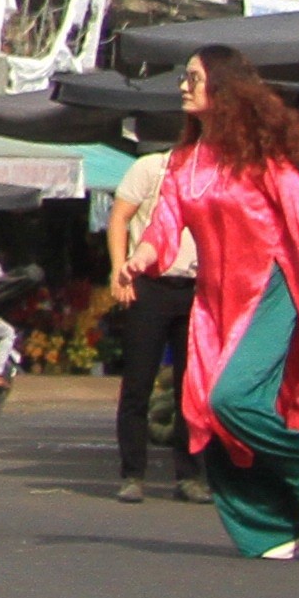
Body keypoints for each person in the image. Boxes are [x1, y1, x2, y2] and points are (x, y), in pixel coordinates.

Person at [144, 49, 299, 561]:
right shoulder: (181, 163)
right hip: (214, 304)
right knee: (208, 415)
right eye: (184, 78)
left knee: (229, 400)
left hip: (269, 287)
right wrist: (138, 258)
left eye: (193, 77)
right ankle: (274, 527)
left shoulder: (258, 156)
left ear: (223, 86)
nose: (183, 86)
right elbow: (164, 226)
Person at [106, 140, 192, 504]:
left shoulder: (215, 174)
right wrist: (117, 271)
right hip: (149, 285)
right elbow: (120, 218)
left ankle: (190, 475)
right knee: (138, 383)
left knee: (192, 388)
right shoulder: (151, 167)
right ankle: (133, 473)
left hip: (195, 286)